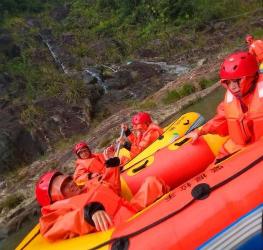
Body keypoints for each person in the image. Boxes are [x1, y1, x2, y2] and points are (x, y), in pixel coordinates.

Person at [35, 166, 169, 241]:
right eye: (64, 186)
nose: (71, 184)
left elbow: (114, 191)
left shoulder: (89, 187)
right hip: (121, 230)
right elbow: (57, 226)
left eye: (69, 180)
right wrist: (87, 213)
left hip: (132, 210)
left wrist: (112, 168)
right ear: (56, 197)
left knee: (152, 181)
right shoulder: (57, 212)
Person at [186, 51, 262, 158]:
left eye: (237, 81)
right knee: (219, 161)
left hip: (259, 147)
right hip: (240, 146)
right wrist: (199, 131)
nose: (233, 87)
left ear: (252, 77)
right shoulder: (230, 102)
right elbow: (219, 121)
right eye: (228, 82)